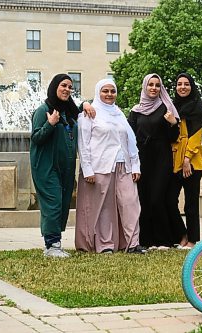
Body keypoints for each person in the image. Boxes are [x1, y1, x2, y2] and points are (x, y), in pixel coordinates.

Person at [75, 78, 146, 254]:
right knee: (104, 208)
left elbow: (130, 140)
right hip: (101, 166)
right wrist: (87, 169)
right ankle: (105, 245)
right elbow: (83, 143)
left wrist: (135, 164)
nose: (109, 94)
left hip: (124, 166)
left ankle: (132, 243)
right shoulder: (89, 113)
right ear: (98, 92)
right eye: (105, 91)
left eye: (112, 91)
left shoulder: (118, 113)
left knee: (130, 202)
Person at [128, 74, 180, 249]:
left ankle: (164, 240)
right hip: (142, 158)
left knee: (157, 198)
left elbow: (174, 138)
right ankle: (145, 240)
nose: (153, 88)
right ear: (144, 86)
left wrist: (173, 124)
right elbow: (129, 136)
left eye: (157, 85)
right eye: (150, 84)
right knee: (143, 198)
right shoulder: (136, 111)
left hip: (161, 158)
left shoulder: (166, 107)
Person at [30, 74, 80, 258]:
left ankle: (55, 242)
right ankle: (51, 246)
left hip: (65, 168)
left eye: (70, 86)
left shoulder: (69, 112)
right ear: (54, 87)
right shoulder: (43, 110)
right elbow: (36, 138)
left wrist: (88, 105)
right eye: (63, 85)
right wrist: (50, 124)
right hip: (46, 166)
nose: (67, 89)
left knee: (63, 202)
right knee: (53, 203)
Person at [169, 73, 202, 249]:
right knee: (168, 199)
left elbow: (196, 137)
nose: (182, 87)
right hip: (174, 160)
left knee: (191, 203)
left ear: (191, 86)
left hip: (192, 161)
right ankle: (182, 234)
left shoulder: (197, 106)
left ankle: (192, 240)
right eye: (179, 84)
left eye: (186, 84)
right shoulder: (171, 107)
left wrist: (187, 159)